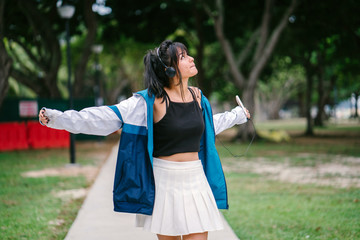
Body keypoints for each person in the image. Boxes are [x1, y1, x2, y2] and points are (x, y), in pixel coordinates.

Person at [39, 39, 250, 240]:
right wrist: (58, 118)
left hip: (195, 179)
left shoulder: (198, 96)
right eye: (184, 56)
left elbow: (208, 126)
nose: (192, 58)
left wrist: (238, 115)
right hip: (164, 182)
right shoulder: (148, 102)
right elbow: (104, 117)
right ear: (170, 69)